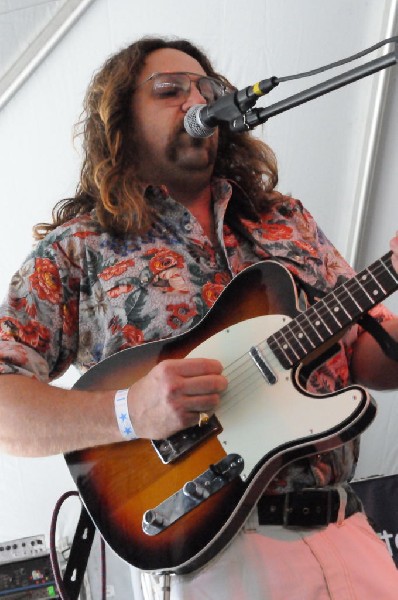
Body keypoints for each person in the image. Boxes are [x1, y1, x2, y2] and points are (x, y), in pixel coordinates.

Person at [1, 36, 398, 600]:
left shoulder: (284, 220)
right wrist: (128, 411)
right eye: (169, 90)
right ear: (120, 120)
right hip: (213, 557)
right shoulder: (80, 248)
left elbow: (365, 356)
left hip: (347, 529)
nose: (196, 100)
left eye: (208, 90)